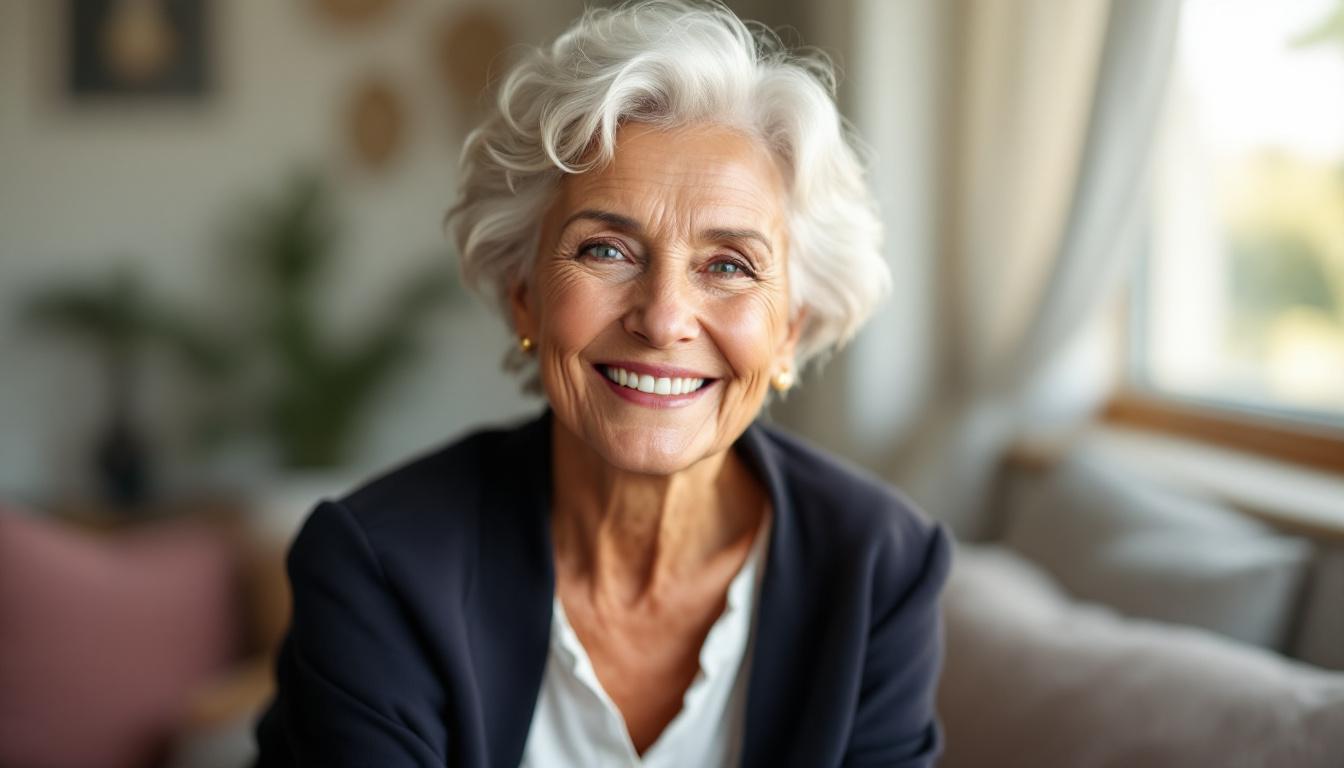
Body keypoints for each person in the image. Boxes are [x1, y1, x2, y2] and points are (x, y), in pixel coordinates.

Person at [253, 1, 951, 766]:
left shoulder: (880, 567)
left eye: (729, 265)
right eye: (606, 250)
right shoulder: (378, 566)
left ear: (788, 330)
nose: (663, 318)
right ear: (526, 294)